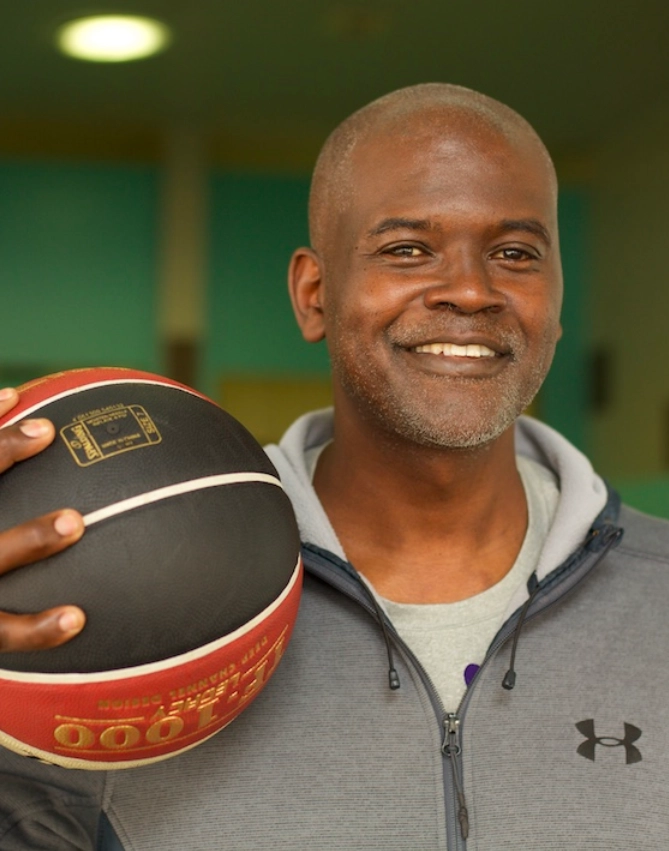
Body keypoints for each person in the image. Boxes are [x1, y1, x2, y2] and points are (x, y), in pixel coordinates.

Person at [0, 82, 668, 849]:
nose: (469, 291)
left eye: (514, 253)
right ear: (314, 294)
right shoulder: (107, 602)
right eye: (407, 249)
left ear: (554, 302)